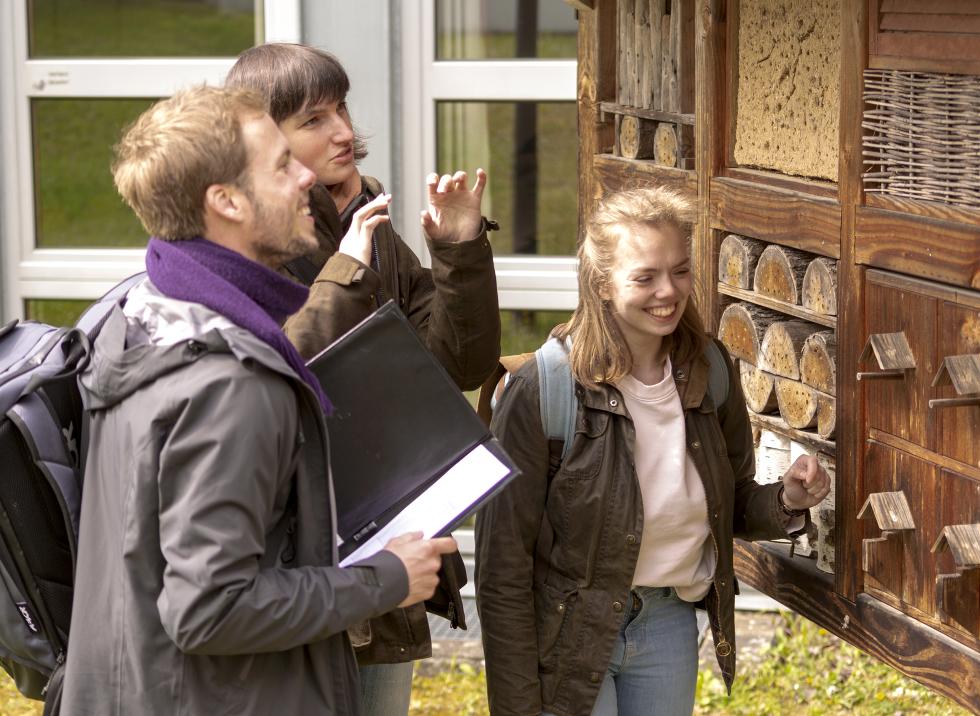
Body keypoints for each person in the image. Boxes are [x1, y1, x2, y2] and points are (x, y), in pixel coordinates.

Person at [59, 85, 457, 715]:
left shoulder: (139, 317)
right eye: (281, 165)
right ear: (226, 201)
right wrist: (385, 577)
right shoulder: (232, 383)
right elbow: (208, 608)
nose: (307, 176)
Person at [474, 186, 831, 716]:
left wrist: (787, 500)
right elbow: (500, 569)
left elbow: (729, 503)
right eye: (645, 277)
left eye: (680, 271)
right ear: (602, 282)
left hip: (667, 622)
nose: (668, 291)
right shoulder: (543, 388)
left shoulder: (711, 370)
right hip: (569, 629)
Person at [225, 43, 501, 715]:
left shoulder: (364, 220)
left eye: (341, 109)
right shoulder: (247, 246)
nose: (344, 131)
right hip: (299, 562)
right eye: (314, 120)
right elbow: (273, 381)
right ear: (262, 139)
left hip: (384, 536)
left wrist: (459, 251)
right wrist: (346, 272)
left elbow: (457, 366)